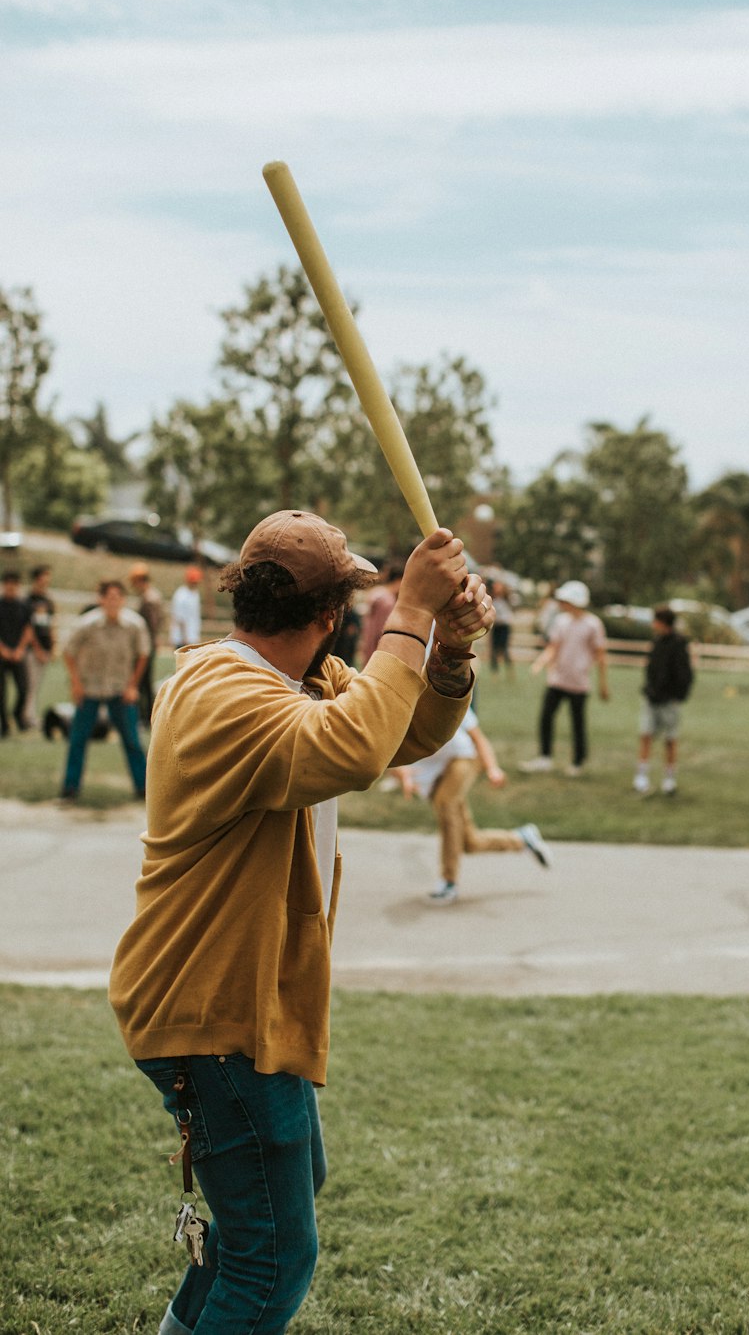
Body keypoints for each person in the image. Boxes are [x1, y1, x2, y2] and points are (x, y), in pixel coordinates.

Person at [108, 510, 493, 1335]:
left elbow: (404, 730)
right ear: (331, 616)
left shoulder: (304, 680)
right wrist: (412, 616)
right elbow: (354, 751)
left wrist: (450, 650)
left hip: (245, 1005)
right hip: (210, 1010)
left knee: (272, 1214)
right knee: (273, 1258)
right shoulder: (219, 691)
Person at [401, 704, 551, 904]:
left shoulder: (448, 696)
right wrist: (404, 776)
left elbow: (477, 738)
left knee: (446, 804)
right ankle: (522, 839)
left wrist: (492, 768)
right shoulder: (400, 698)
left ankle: (448, 882)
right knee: (470, 842)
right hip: (433, 776)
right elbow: (389, 747)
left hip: (463, 758)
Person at [60, 579, 150, 801]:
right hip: (90, 688)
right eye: (108, 597)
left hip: (120, 689)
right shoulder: (86, 624)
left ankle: (145, 788)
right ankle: (70, 787)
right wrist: (76, 684)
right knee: (78, 739)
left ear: (123, 600)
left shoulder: (134, 625)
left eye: (117, 597)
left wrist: (132, 686)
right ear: (100, 599)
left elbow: (143, 654)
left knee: (132, 740)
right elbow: (68, 652)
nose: (113, 602)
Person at [520, 579, 608, 777]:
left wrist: (603, 684)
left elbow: (600, 655)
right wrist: (540, 663)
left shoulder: (593, 624)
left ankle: (578, 761)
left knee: (577, 723)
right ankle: (545, 757)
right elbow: (554, 647)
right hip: (558, 679)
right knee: (546, 717)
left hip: (579, 683)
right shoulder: (561, 621)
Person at [632, 605, 694, 795]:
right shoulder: (656, 642)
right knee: (646, 734)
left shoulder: (679, 643)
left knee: (670, 739)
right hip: (652, 698)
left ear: (663, 623)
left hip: (669, 700)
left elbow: (685, 674)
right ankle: (641, 775)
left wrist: (678, 696)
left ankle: (669, 779)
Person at [129, 563, 164, 724]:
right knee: (145, 681)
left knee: (142, 681)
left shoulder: (148, 599)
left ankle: (145, 715)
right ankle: (146, 715)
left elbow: (150, 624)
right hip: (148, 643)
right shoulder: (154, 595)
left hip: (145, 644)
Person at [0, 570, 33, 737]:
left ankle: (18, 716)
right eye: (8, 584)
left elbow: (28, 629)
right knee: (1, 692)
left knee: (23, 689)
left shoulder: (23, 606)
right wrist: (3, 650)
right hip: (1, 654)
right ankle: (3, 724)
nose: (11, 588)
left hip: (18, 653)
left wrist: (20, 649)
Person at [24, 564, 56, 728]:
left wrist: (52, 646)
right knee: (31, 683)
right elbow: (28, 628)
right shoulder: (28, 600)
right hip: (33, 650)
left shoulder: (48, 600)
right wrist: (37, 649)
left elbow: (50, 625)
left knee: (37, 683)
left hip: (45, 649)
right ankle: (28, 716)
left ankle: (30, 714)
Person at [358, 559, 404, 664]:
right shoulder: (387, 600)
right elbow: (381, 630)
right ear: (399, 580)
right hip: (377, 650)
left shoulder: (377, 592)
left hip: (367, 643)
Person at [170, 566, 203, 649]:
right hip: (182, 639)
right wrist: (186, 639)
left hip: (193, 638)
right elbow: (180, 619)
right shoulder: (181, 595)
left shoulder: (195, 593)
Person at [488, 579, 516, 675]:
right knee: (494, 650)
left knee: (504, 649)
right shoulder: (492, 599)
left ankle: (509, 671)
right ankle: (495, 672)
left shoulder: (508, 599)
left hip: (504, 626)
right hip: (496, 627)